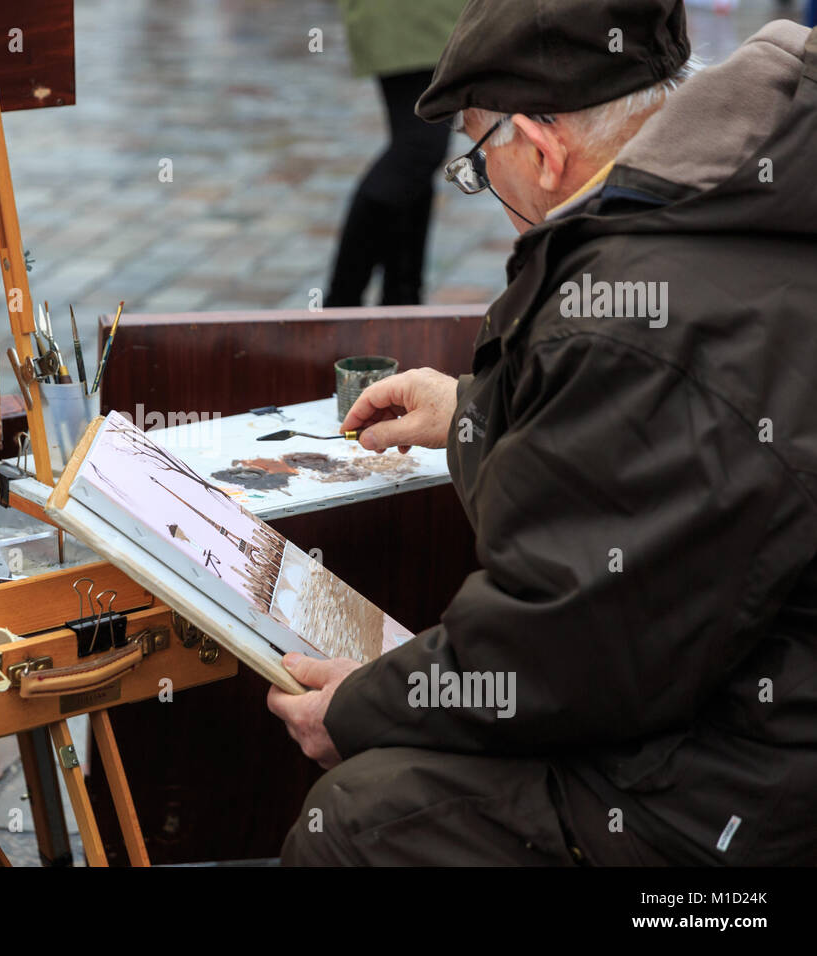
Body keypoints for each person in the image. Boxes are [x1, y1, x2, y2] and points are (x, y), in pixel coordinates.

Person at [270, 0, 817, 865]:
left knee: (357, 821)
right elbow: (646, 468)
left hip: (745, 809)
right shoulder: (751, 189)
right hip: (765, 714)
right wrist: (471, 414)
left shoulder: (631, 309)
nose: (488, 191)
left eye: (480, 166)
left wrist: (358, 709)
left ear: (540, 144)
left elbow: (562, 651)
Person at [325, 0, 466, 307]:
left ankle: (401, 304)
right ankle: (340, 306)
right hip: (413, 15)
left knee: (415, 150)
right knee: (419, 148)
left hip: (425, 15)